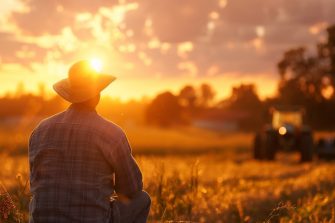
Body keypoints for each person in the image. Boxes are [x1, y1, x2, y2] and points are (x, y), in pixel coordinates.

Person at [28, 60, 151, 223]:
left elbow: (36, 183)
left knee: (35, 201)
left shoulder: (40, 130)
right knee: (142, 199)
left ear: (69, 94)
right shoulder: (111, 133)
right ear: (98, 95)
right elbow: (131, 189)